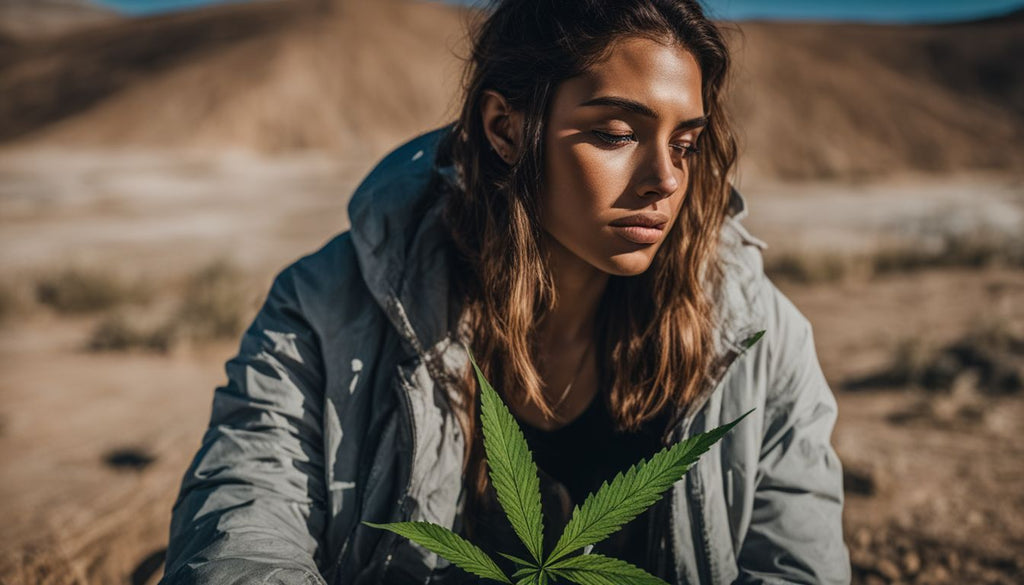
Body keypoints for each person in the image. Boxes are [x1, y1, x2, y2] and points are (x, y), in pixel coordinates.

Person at [160, 0, 851, 583]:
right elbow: (241, 526)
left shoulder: (756, 337)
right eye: (616, 133)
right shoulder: (325, 309)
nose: (665, 180)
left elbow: (796, 561)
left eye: (686, 144)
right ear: (506, 128)